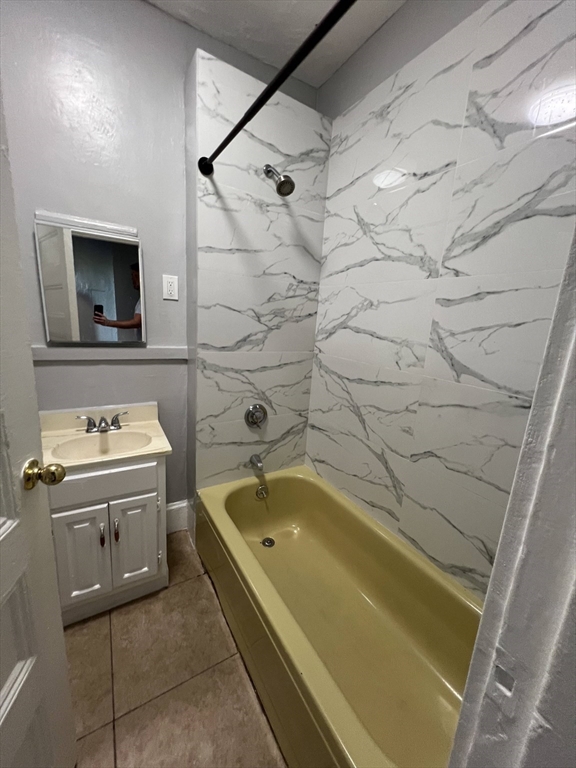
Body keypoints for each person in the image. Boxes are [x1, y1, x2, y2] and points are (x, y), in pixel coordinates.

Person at [93, 262, 142, 331]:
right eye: (132, 276)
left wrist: (108, 322)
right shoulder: (142, 300)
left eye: (135, 275)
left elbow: (136, 322)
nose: (132, 279)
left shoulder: (144, 300)